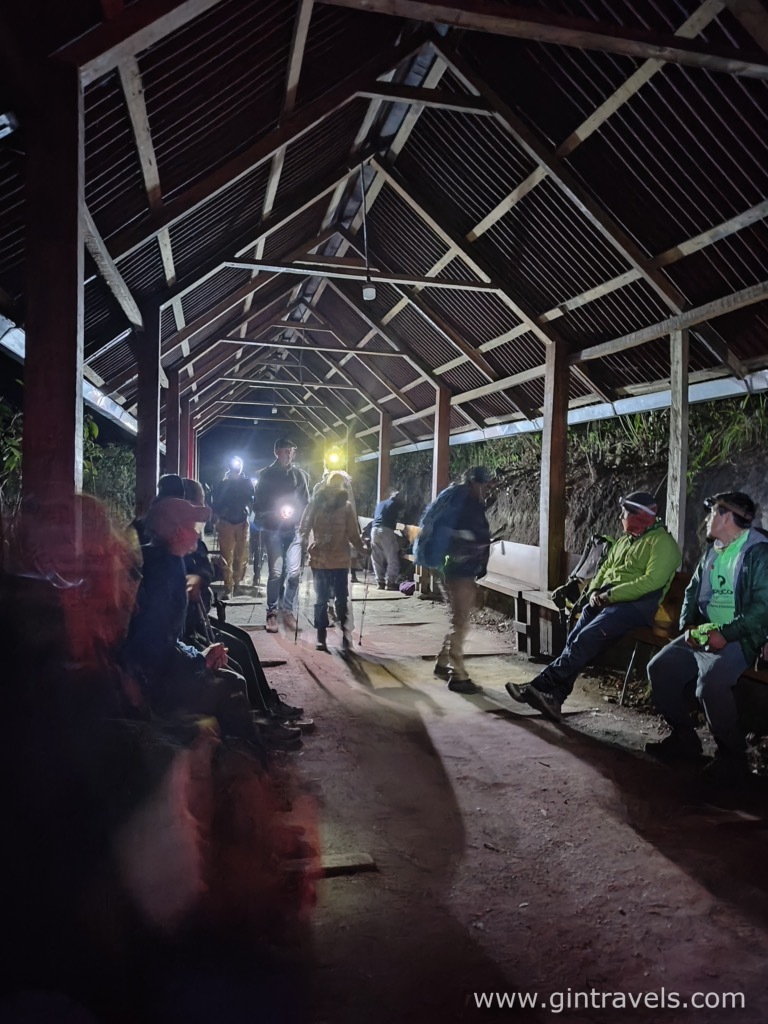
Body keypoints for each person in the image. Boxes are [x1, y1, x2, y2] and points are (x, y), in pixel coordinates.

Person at [507, 490, 681, 721]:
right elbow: (606, 569)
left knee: (584, 641)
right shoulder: (625, 541)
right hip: (607, 601)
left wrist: (610, 595)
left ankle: (540, 685)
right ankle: (554, 699)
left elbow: (651, 582)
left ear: (640, 516)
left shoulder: (663, 544)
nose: (621, 517)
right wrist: (593, 592)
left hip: (634, 607)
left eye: (625, 513)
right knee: (574, 642)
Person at [124, 495, 264, 752]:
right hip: (149, 682)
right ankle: (246, 757)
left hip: (157, 667)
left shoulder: (169, 559)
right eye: (191, 527)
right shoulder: (162, 573)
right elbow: (152, 647)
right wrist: (200, 659)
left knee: (229, 668)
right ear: (176, 533)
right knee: (232, 683)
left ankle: (248, 747)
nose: (196, 533)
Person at [646, 492, 768, 782]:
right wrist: (688, 625)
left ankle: (733, 755)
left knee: (710, 686)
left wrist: (725, 635)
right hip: (706, 631)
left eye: (712, 512)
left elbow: (762, 610)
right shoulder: (714, 549)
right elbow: (692, 590)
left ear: (726, 517)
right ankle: (684, 738)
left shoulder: (758, 553)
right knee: (660, 669)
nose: (707, 518)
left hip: (742, 636)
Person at [419, 467, 492, 695]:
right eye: (484, 484)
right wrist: (468, 539)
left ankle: (443, 663)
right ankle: (457, 675)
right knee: (460, 620)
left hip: (456, 566)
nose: (487, 489)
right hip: (459, 567)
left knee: (457, 617)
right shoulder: (465, 502)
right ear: (474, 483)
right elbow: (452, 531)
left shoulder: (460, 499)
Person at [299, 471, 367, 654]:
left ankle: (323, 637)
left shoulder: (316, 503)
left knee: (321, 599)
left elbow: (303, 528)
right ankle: (344, 636)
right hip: (338, 560)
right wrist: (363, 550)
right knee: (340, 598)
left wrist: (305, 545)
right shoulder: (345, 506)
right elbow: (353, 534)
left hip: (321, 559)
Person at [252, 438, 310, 634]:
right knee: (276, 572)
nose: (289, 454)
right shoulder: (266, 475)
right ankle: (271, 613)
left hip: (293, 530)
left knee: (294, 573)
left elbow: (306, 500)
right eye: (285, 451)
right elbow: (258, 503)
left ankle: (288, 611)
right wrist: (270, 514)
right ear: (276, 452)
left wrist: (302, 522)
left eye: (292, 451)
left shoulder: (299, 475)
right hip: (273, 529)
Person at [212, 455, 254, 599]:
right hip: (226, 522)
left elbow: (252, 498)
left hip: (242, 521)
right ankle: (228, 587)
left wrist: (249, 509)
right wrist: (218, 514)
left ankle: (237, 584)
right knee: (226, 556)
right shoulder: (222, 483)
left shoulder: (247, 482)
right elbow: (215, 500)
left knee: (241, 555)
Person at [371, 490, 406, 590]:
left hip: (374, 530)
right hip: (386, 530)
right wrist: (403, 534)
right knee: (392, 557)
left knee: (377, 557)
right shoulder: (396, 504)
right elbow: (398, 522)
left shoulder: (381, 504)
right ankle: (390, 582)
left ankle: (380, 582)